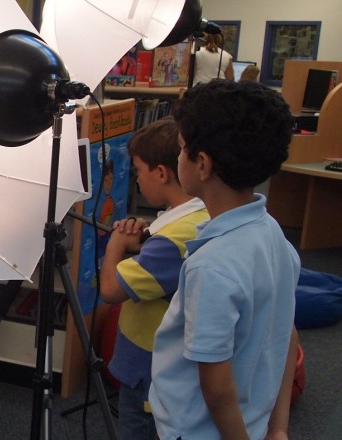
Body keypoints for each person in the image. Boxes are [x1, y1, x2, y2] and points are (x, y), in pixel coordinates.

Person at [149, 79, 300, 440]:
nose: (178, 156)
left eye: (181, 148)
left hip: (200, 431)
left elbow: (215, 389)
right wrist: (278, 427)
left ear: (201, 163)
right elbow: (287, 335)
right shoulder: (273, 233)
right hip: (254, 421)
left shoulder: (212, 267)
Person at [98, 117, 209, 439]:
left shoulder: (171, 241)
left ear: (160, 173)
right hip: (168, 366)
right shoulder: (199, 216)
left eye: (137, 172)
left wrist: (117, 244)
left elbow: (109, 290)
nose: (136, 181)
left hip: (150, 366)